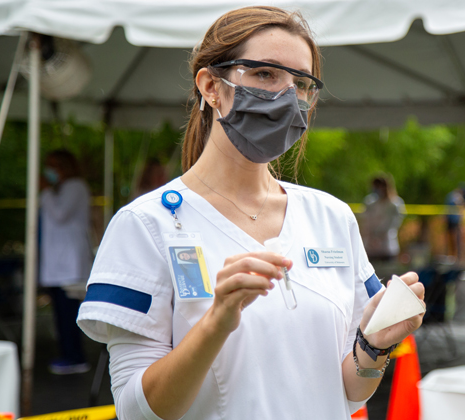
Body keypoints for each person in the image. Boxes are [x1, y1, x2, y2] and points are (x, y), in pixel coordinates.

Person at [77, 7, 424, 420]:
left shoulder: (331, 217)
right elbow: (137, 410)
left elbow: (349, 393)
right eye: (265, 74)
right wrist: (216, 322)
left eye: (301, 83)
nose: (286, 95)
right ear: (210, 85)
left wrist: (373, 347)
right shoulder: (145, 225)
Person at [40, 149, 93, 374]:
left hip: (69, 263)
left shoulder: (75, 188)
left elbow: (60, 215)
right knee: (60, 314)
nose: (50, 171)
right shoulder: (60, 190)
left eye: (54, 165)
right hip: (58, 262)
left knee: (68, 313)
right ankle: (67, 353)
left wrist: (44, 192)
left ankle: (75, 356)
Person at [360, 174, 405, 262]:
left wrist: (379, 236)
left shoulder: (395, 204)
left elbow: (394, 224)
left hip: (387, 245)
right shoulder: (369, 202)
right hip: (370, 246)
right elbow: (365, 222)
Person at [444, 186, 465, 260]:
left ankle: (454, 256)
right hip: (453, 221)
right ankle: (453, 256)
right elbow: (459, 204)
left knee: (454, 240)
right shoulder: (455, 196)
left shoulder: (451, 195)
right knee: (453, 239)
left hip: (453, 220)